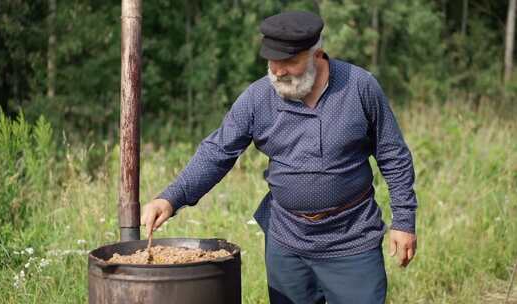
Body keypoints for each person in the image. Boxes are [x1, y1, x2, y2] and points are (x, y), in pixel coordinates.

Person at [141, 11, 418, 304]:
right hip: (288, 246)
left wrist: (403, 221)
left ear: (317, 55)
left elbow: (393, 155)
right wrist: (170, 198)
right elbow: (217, 152)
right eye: (272, 61)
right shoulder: (258, 98)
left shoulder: (359, 87)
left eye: (289, 62)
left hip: (352, 242)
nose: (278, 71)